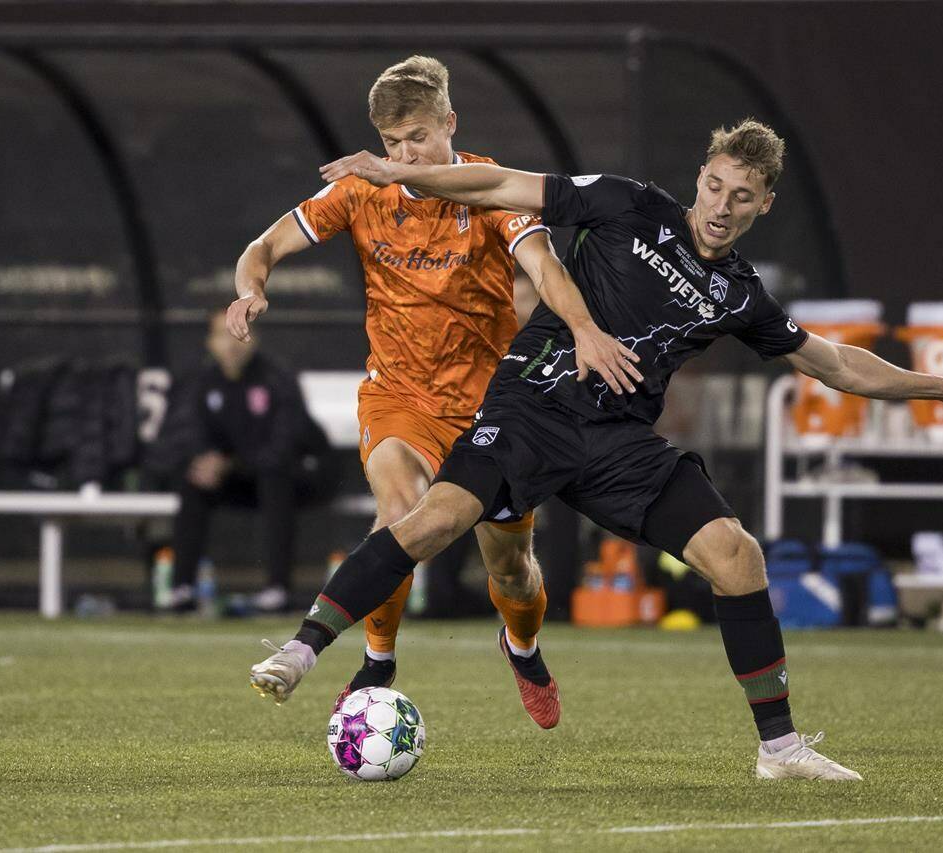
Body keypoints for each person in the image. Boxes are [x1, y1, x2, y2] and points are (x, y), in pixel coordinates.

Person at [250, 118, 943, 780]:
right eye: (715, 186)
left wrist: (942, 386)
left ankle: (779, 747)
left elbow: (835, 362)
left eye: (742, 197)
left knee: (736, 553)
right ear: (700, 179)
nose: (722, 206)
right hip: (533, 406)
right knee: (427, 522)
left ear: (763, 205)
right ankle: (302, 650)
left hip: (615, 442)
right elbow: (502, 185)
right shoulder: (630, 204)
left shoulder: (740, 294)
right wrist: (400, 172)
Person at [227, 56, 636, 723]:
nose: (403, 153)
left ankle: (522, 644)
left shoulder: (490, 189)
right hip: (399, 397)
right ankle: (378, 660)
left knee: (513, 571)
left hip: (492, 411)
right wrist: (251, 289)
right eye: (392, 143)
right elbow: (262, 246)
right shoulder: (361, 192)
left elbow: (545, 263)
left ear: (450, 122)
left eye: (417, 136)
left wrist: (584, 328)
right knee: (397, 515)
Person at [152, 310, 336, 612]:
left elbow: (285, 445)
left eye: (240, 332)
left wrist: (231, 464)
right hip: (239, 479)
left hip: (298, 478)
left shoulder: (277, 379)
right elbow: (187, 434)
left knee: (275, 478)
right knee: (194, 480)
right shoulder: (201, 383)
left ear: (254, 339)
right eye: (223, 334)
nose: (232, 343)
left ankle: (277, 588)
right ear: (209, 343)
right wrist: (205, 459)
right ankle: (182, 588)